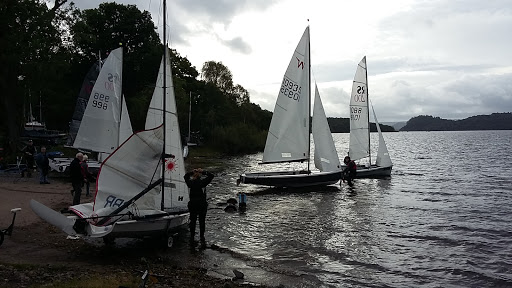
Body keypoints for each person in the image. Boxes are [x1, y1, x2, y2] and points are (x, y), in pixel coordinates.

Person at [184, 168, 214, 246]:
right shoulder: (203, 183)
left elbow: (185, 176)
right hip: (202, 204)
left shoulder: (190, 183)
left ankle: (192, 236)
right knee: (202, 221)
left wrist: (191, 172)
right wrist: (203, 171)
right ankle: (202, 237)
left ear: (193, 177)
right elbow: (211, 176)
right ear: (200, 176)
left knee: (193, 220)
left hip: (193, 204)